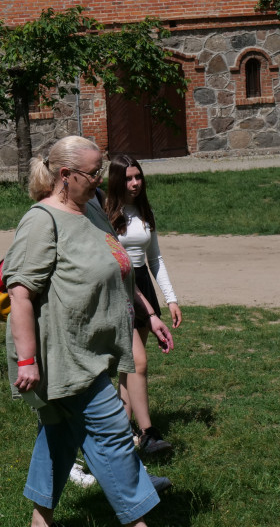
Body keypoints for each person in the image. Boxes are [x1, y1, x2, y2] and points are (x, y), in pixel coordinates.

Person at [3, 136, 173, 527]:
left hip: (89, 348)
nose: (99, 180)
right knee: (113, 430)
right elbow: (20, 294)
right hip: (60, 355)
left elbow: (118, 266)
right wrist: (27, 360)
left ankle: (39, 521)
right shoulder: (41, 221)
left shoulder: (90, 209)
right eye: (93, 173)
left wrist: (148, 314)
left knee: (60, 437)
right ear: (65, 175)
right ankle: (137, 516)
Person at [107, 154, 182, 456]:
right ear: (116, 181)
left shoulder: (143, 210)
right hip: (120, 287)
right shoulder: (106, 214)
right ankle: (147, 433)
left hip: (143, 288)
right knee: (137, 363)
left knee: (130, 368)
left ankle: (122, 432)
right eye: (128, 178)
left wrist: (171, 298)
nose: (135, 183)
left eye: (138, 176)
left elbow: (155, 259)